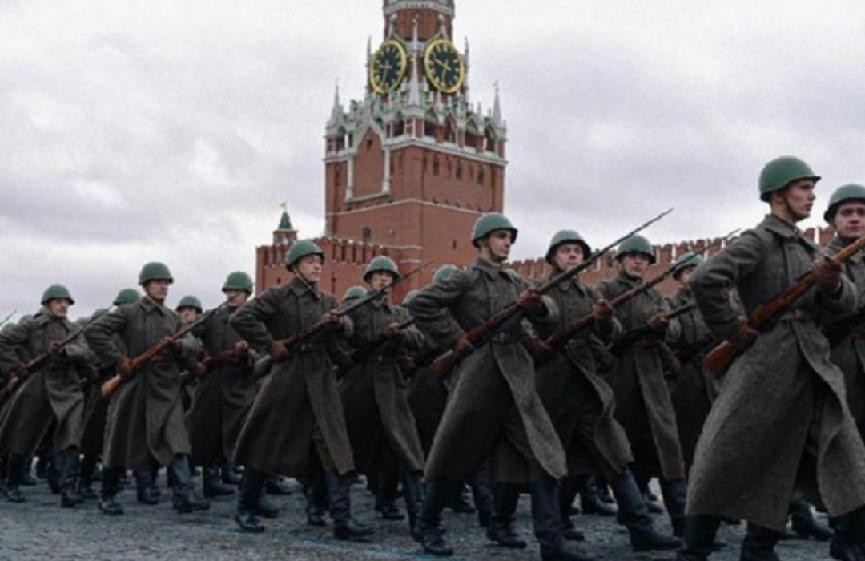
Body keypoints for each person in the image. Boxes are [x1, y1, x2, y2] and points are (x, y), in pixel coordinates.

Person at [679, 156, 865, 560]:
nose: (811, 196)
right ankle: (694, 551)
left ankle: (791, 548)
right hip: (767, 366)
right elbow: (708, 279)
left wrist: (833, 284)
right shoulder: (759, 241)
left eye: (812, 189)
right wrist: (733, 330)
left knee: (844, 453)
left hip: (813, 366)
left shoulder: (810, 249)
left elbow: (846, 303)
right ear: (778, 194)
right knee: (726, 457)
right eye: (804, 188)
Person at [408, 213, 591, 561]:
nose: (507, 243)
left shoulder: (516, 281)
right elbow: (420, 304)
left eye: (509, 237)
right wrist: (455, 338)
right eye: (501, 236)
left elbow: (547, 314)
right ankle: (427, 523)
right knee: (454, 454)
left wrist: (538, 308)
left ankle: (551, 543)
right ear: (482, 241)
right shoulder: (466, 279)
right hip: (479, 375)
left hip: (517, 378)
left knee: (544, 455)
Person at [534, 230, 681, 552]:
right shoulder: (539, 290)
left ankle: (640, 528)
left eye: (577, 251)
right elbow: (532, 322)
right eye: (566, 250)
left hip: (588, 388)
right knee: (550, 465)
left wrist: (604, 320)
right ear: (553, 257)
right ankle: (550, 539)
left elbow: (610, 332)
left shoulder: (591, 294)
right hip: (554, 387)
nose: (573, 256)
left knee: (615, 455)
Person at [230, 240, 373, 541]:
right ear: (294, 266)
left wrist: (339, 324)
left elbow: (347, 328)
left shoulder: (327, 300)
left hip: (321, 380)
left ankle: (342, 518)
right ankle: (245, 508)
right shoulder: (279, 296)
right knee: (266, 443)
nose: (316, 266)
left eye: (318, 261)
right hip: (289, 376)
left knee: (333, 447)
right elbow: (241, 317)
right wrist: (270, 345)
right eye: (309, 261)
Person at [86, 262, 209, 516]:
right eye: (158, 282)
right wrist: (118, 360)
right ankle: (108, 495)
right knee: (120, 441)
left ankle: (184, 495)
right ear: (145, 285)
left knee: (177, 440)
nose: (163, 287)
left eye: (166, 283)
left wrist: (178, 347)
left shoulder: (173, 318)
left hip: (166, 387)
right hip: (136, 385)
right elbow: (95, 331)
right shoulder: (129, 312)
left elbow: (193, 345)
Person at [0, 285, 91, 507]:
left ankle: (68, 489)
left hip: (67, 386)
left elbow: (85, 351)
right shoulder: (33, 325)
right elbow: (3, 341)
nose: (63, 305)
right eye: (58, 301)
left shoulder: (73, 329)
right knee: (22, 435)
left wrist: (66, 351)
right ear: (48, 303)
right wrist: (16, 367)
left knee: (71, 436)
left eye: (66, 302)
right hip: (38, 383)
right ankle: (11, 483)